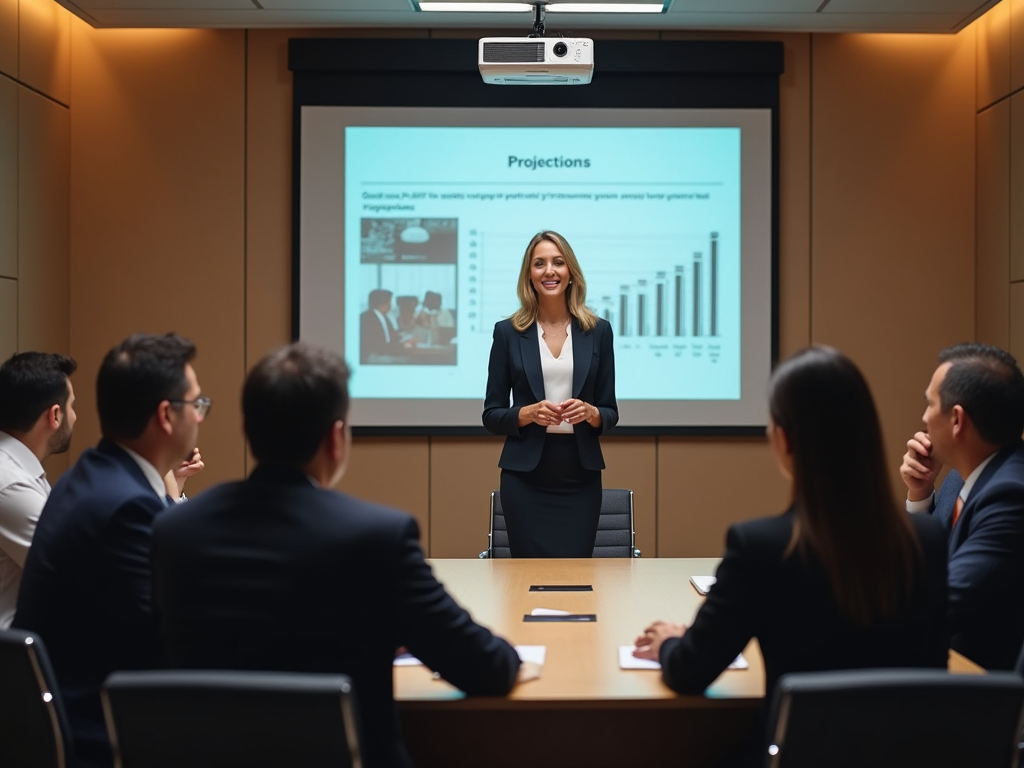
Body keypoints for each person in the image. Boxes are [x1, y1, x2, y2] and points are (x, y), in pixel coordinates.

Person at [151, 342, 522, 768]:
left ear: (246, 432)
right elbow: (485, 667)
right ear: (336, 438)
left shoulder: (174, 530)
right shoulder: (377, 536)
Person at [634, 347, 949, 767]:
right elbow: (934, 669)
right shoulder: (927, 539)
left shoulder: (760, 546)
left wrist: (671, 641)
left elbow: (691, 671)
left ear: (783, 439)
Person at [13, 333, 209, 768]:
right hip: (97, 736)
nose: (200, 416)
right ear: (166, 415)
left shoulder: (96, 473)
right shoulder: (124, 505)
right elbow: (164, 641)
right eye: (197, 404)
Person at [483, 231, 618, 558]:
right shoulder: (508, 332)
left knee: (576, 579)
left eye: (558, 262)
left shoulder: (598, 331)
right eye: (539, 263)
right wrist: (526, 414)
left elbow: (610, 412)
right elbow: (491, 414)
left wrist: (590, 412)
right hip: (525, 479)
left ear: (571, 271)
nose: (549, 271)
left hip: (580, 477)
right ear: (529, 275)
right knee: (527, 581)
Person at [900, 342, 1024, 670]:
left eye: (930, 404)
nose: (924, 416)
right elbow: (921, 568)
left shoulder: (1011, 495)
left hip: (983, 696)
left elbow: (939, 607)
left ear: (957, 420)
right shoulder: (960, 477)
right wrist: (920, 494)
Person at [0, 352, 78, 629]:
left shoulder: (17, 470)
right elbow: (76, 573)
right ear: (55, 415)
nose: (75, 416)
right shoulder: (10, 484)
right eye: (72, 406)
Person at [359, 288, 414, 362]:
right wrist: (404, 345)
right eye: (389, 302)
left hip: (384, 353)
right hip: (373, 356)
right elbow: (378, 346)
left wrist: (404, 339)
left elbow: (390, 338)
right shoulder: (367, 319)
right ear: (381, 304)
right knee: (410, 360)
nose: (390, 305)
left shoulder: (385, 318)